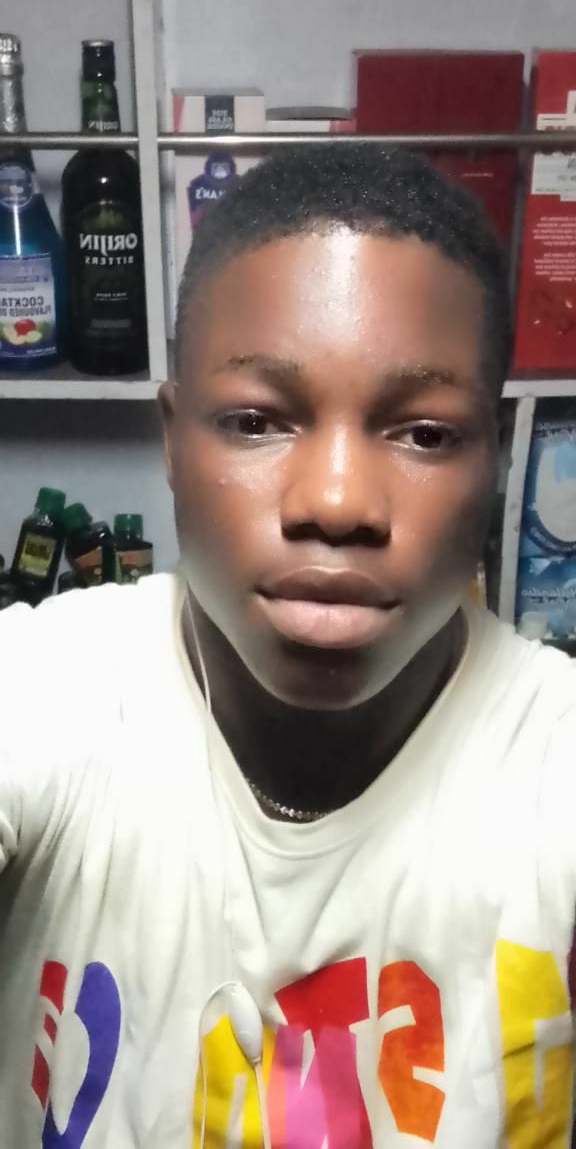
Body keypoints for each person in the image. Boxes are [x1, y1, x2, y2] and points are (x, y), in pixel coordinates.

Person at [0, 143, 575, 1149]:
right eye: (257, 421)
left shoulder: (552, 762)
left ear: (492, 457)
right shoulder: (56, 691)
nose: (337, 501)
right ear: (171, 442)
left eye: (424, 433)